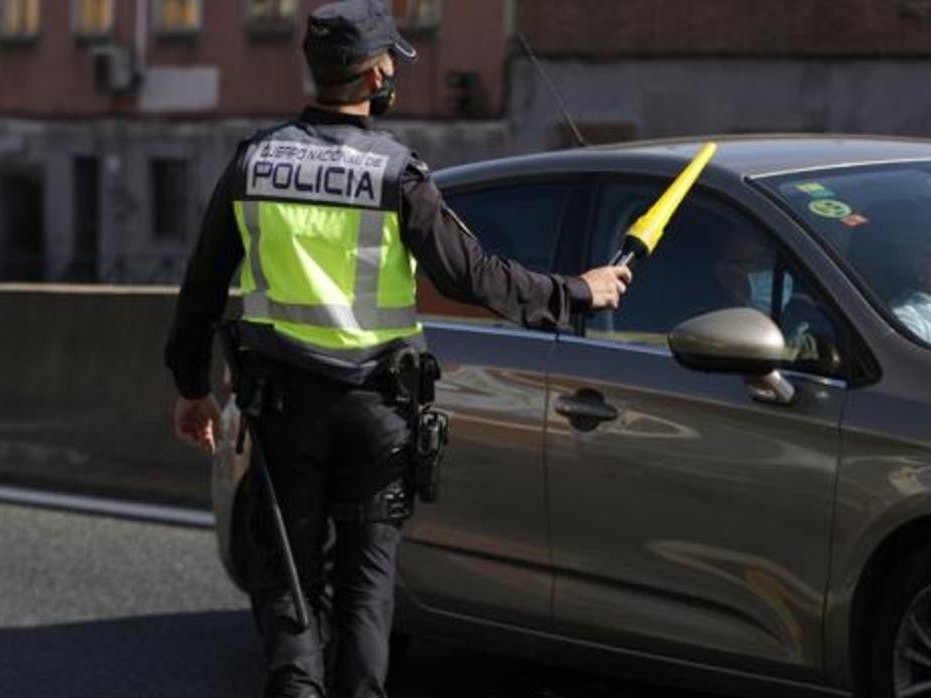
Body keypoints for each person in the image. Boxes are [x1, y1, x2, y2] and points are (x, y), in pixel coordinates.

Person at [163, 2, 632, 696]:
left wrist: (191, 386)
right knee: (365, 584)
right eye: (392, 65)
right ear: (378, 72)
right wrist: (578, 292)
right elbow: (474, 278)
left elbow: (201, 286)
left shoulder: (254, 163)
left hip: (285, 407)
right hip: (377, 408)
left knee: (290, 578)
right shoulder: (397, 175)